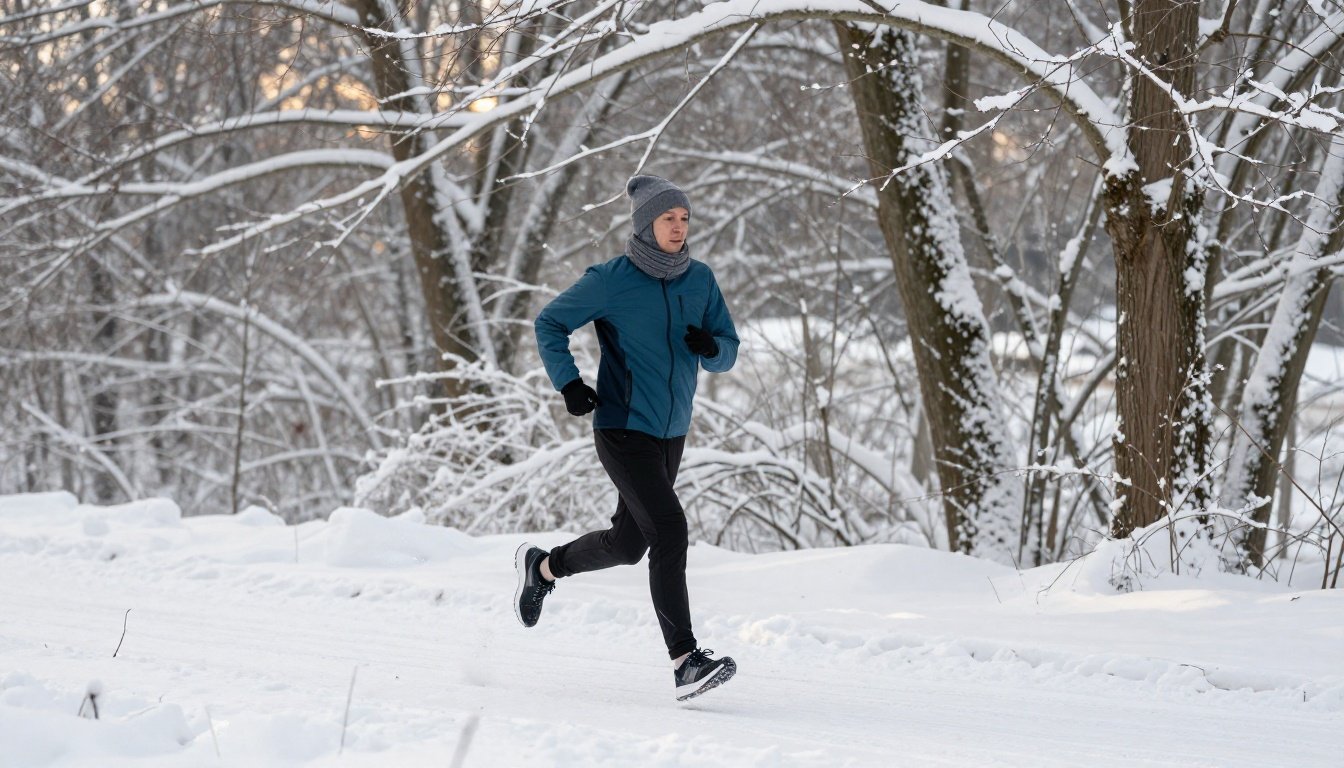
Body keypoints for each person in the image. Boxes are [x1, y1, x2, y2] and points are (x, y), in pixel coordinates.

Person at [515, 175, 740, 702]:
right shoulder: (610, 280)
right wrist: (568, 383)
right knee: (669, 528)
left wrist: (711, 347)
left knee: (627, 544)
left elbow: (729, 350)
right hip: (621, 428)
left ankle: (543, 567)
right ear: (646, 225)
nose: (679, 228)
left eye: (684, 219)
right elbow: (549, 323)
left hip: (671, 433)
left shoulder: (700, 280)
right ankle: (686, 660)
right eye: (668, 219)